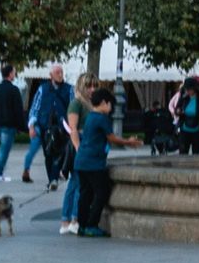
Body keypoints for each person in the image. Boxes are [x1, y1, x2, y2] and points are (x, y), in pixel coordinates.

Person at [74, 88, 142, 238]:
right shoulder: (101, 118)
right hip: (93, 163)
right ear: (104, 103)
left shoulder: (91, 116)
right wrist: (129, 142)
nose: (111, 108)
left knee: (85, 194)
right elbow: (112, 138)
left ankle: (82, 225)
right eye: (110, 105)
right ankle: (92, 225)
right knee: (101, 192)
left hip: (81, 160)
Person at [22, 64, 72, 189]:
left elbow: (72, 107)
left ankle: (54, 179)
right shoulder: (43, 89)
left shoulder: (69, 89)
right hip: (45, 125)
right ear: (50, 75)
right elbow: (35, 108)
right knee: (48, 153)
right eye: (57, 72)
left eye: (61, 72)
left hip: (62, 127)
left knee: (59, 152)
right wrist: (32, 125)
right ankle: (51, 179)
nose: (60, 75)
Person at [60, 74, 96, 235]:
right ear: (82, 87)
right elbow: (73, 129)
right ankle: (72, 219)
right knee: (78, 183)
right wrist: (79, 148)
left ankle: (67, 219)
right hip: (80, 143)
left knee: (75, 182)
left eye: (95, 86)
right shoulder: (76, 103)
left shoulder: (89, 104)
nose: (92, 89)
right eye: (89, 86)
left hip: (87, 142)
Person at [0, 65, 25, 182]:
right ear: (10, 74)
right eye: (14, 72)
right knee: (5, 150)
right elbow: (18, 110)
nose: (15, 74)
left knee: (4, 148)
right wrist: (21, 126)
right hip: (9, 124)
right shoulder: (14, 90)